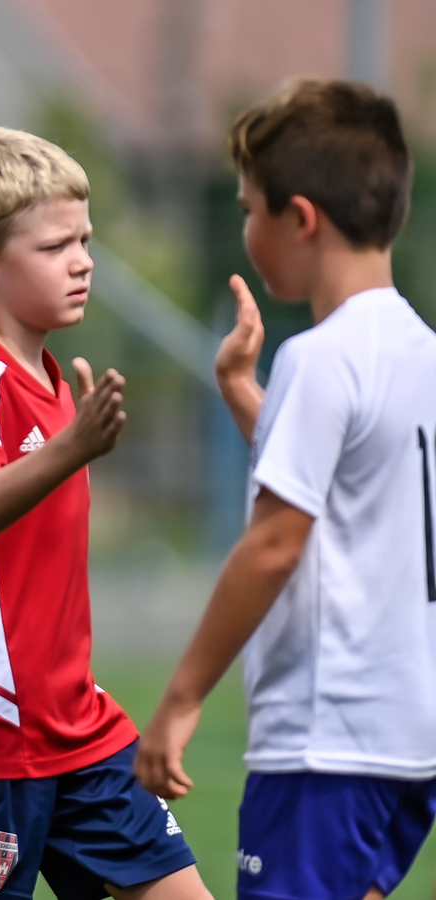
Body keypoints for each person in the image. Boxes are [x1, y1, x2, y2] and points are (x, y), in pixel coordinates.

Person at [135, 79, 436, 900]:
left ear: (300, 218)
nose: (244, 229)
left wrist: (181, 698)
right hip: (408, 737)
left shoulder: (320, 357)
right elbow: (346, 489)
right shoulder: (419, 349)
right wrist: (244, 393)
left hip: (324, 744)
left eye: (247, 209)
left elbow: (275, 545)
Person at [0, 127, 211, 900]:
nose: (83, 262)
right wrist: (72, 449)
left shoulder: (48, 377)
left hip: (79, 731)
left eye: (85, 240)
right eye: (54, 246)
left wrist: (70, 442)